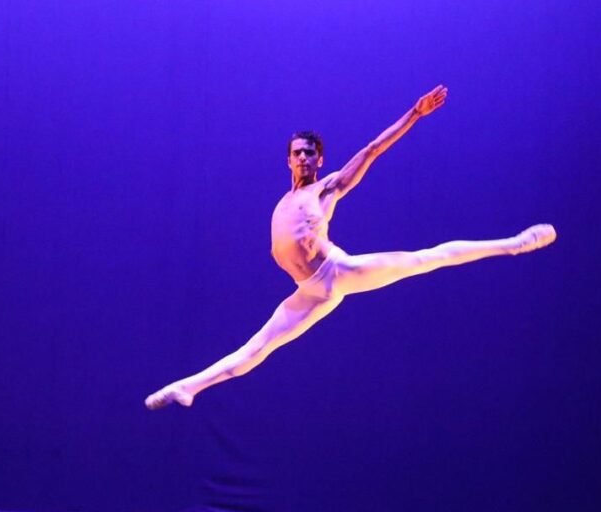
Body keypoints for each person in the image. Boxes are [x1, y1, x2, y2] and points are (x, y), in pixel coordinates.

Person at [145, 85, 556, 410]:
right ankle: (188, 388)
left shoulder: (327, 188)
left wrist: (414, 114)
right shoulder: (283, 201)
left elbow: (372, 150)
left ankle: (514, 244)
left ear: (320, 159)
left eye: (309, 153)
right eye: (296, 154)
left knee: (423, 259)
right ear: (287, 161)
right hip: (310, 292)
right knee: (255, 348)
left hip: (335, 273)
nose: (303, 158)